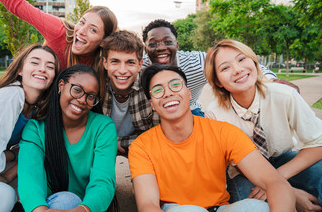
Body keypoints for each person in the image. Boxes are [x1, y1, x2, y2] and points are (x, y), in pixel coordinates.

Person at [129, 64, 296, 212]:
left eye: (175, 85)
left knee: (256, 207)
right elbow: (147, 205)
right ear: (152, 103)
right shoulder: (141, 147)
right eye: (158, 90)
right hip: (176, 209)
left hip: (220, 208)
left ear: (188, 94)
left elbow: (275, 182)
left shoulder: (223, 132)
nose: (168, 93)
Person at [204, 39, 322, 211]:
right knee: (252, 204)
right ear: (218, 82)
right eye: (225, 68)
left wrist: (278, 179)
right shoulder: (215, 114)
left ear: (253, 61)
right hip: (245, 171)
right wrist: (292, 193)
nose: (237, 70)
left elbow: (318, 141)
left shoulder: (285, 95)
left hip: (283, 159)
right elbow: (232, 163)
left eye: (242, 59)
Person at [0, 44, 60, 212]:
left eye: (50, 67)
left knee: (32, 183)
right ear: (20, 70)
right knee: (4, 195)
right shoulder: (11, 96)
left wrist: (8, 174)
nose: (42, 69)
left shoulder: (39, 108)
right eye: (35, 63)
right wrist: (14, 154)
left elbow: (35, 153)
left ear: (53, 77)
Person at [18, 64, 117, 212]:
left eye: (90, 97)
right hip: (47, 206)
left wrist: (82, 210)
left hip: (87, 208)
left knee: (68, 201)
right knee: (65, 201)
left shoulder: (103, 127)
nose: (82, 100)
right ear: (61, 85)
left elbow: (103, 180)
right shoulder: (36, 128)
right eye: (77, 90)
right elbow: (29, 179)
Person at [142, 19, 290, 117]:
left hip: (190, 111)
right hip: (152, 114)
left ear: (177, 45)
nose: (161, 48)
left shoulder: (197, 61)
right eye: (153, 44)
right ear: (146, 48)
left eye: (167, 41)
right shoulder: (139, 65)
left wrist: (272, 80)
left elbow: (241, 63)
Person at [98, 30, 159, 156]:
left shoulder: (151, 86)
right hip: (101, 146)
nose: (122, 70)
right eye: (115, 61)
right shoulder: (96, 85)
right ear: (105, 63)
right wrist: (109, 143)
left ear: (139, 65)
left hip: (140, 147)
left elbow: (157, 134)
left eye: (130, 62)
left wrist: (119, 143)